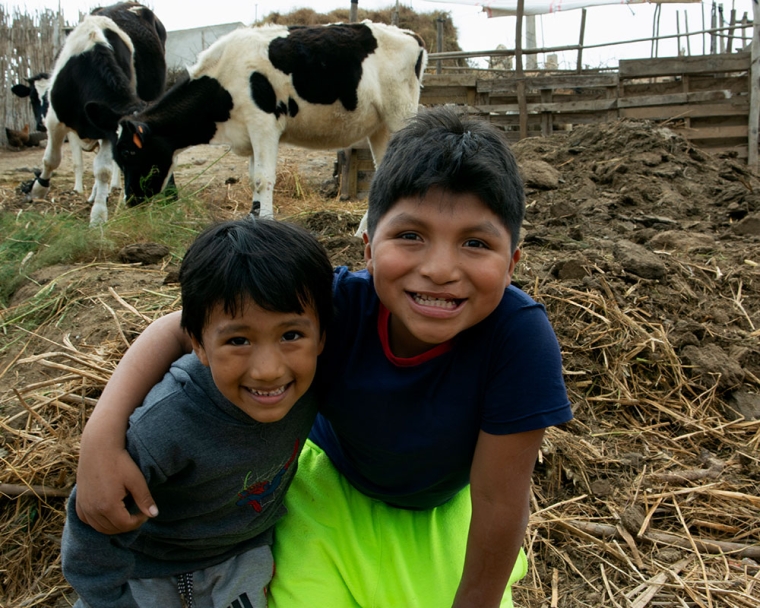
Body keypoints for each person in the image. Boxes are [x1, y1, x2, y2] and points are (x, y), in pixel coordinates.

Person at [74, 106, 573, 608]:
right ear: (368, 248)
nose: (440, 269)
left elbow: (497, 498)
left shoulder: (518, 339)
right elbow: (178, 328)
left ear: (512, 263)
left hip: (440, 507)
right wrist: (101, 436)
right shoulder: (337, 306)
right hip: (326, 484)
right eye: (410, 236)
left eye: (475, 242)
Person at [61, 218, 334, 607]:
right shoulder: (165, 425)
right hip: (147, 566)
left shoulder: (320, 376)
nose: (268, 369)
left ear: (322, 336)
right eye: (238, 341)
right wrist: (109, 599)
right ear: (198, 346)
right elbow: (93, 525)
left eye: (291, 335)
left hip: (242, 554)